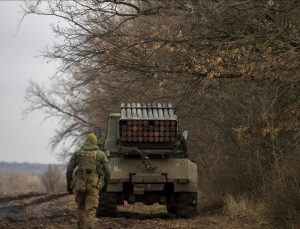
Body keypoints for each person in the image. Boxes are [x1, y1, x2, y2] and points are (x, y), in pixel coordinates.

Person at [66, 133, 111, 229]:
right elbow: (108, 171)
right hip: (93, 186)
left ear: (86, 141)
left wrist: (69, 186)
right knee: (90, 210)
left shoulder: (78, 153)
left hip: (79, 185)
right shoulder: (100, 154)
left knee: (81, 208)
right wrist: (105, 186)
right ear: (95, 142)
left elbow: (69, 170)